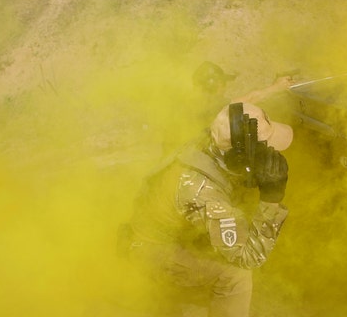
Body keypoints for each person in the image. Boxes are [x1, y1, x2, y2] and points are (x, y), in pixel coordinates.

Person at [121, 102, 293, 316]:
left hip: (165, 228)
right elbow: (249, 257)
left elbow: (234, 113)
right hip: (151, 250)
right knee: (237, 273)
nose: (269, 153)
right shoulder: (203, 191)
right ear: (238, 156)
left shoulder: (209, 141)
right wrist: (271, 198)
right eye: (264, 148)